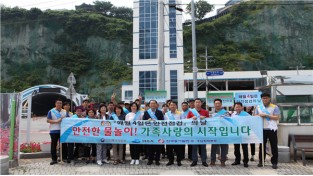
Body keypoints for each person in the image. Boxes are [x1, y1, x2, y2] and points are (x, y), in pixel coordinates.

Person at [254, 92, 280, 169]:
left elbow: (277, 117)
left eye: (266, 98)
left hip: (272, 129)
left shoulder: (274, 107)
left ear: (269, 99)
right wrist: (260, 115)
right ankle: (261, 161)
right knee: (261, 146)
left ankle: (274, 162)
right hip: (262, 128)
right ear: (261, 99)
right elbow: (255, 116)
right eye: (263, 98)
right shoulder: (258, 107)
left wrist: (267, 115)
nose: (265, 99)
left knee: (274, 146)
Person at [186, 98, 209, 167]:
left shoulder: (205, 112)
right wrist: (191, 118)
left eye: (199, 102)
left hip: (202, 132)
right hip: (194, 132)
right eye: (196, 102)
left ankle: (204, 161)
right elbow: (187, 121)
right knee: (194, 147)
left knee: (203, 147)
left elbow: (211, 122)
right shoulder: (191, 112)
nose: (198, 103)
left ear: (201, 103)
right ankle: (194, 160)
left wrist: (205, 118)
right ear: (194, 104)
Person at [143, 100, 164, 166]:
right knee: (149, 147)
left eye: (154, 103)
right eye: (151, 103)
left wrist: (156, 121)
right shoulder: (146, 112)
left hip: (157, 131)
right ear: (149, 105)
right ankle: (150, 159)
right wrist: (147, 121)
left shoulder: (160, 112)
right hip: (149, 132)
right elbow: (143, 121)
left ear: (156, 104)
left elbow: (162, 122)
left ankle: (157, 160)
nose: (152, 105)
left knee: (157, 147)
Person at [164, 102, 185, 166]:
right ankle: (171, 160)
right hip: (169, 133)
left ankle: (179, 161)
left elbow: (183, 122)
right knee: (169, 148)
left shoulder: (180, 114)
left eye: (174, 105)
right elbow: (164, 123)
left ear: (176, 106)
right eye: (171, 105)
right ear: (169, 106)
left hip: (177, 133)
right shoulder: (166, 114)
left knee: (178, 148)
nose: (172, 106)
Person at [210, 98, 229, 167]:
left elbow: (228, 122)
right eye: (216, 104)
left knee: (224, 147)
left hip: (223, 132)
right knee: (214, 147)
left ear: (221, 104)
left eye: (218, 103)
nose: (217, 105)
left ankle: (223, 161)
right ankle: (212, 160)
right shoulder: (211, 113)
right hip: (215, 132)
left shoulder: (226, 112)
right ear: (214, 105)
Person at [47, 99, 66, 165]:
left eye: (60, 103)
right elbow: (48, 120)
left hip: (63, 131)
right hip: (54, 130)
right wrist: (56, 121)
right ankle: (54, 159)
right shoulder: (51, 111)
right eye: (58, 103)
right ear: (55, 104)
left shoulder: (64, 111)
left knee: (63, 145)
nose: (59, 104)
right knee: (54, 145)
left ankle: (62, 158)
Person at [231, 102, 250, 168]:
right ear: (234, 107)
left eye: (239, 107)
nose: (237, 108)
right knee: (236, 148)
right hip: (236, 133)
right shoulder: (233, 115)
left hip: (244, 133)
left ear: (242, 107)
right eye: (236, 107)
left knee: (245, 148)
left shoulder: (246, 114)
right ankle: (237, 160)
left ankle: (245, 161)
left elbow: (251, 122)